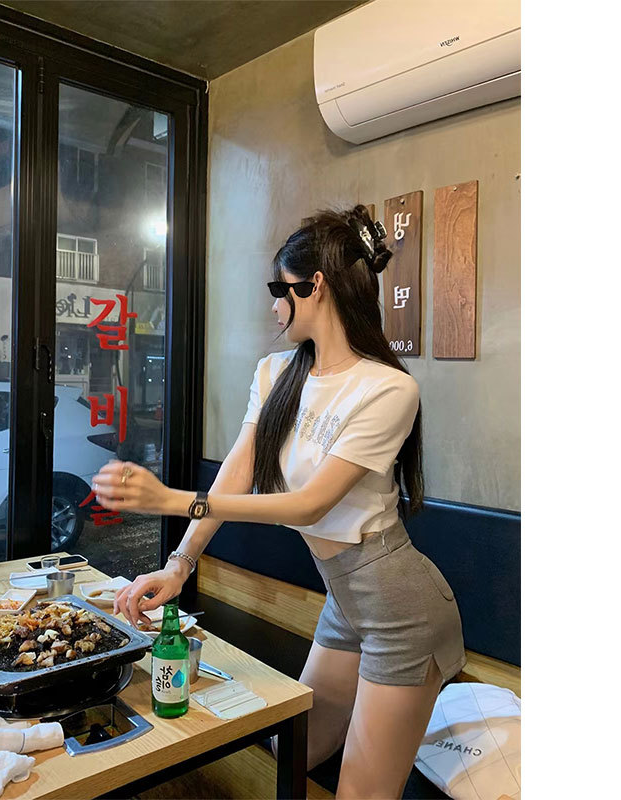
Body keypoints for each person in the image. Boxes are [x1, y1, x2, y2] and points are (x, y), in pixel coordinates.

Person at [92, 206, 467, 799]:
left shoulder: (389, 388)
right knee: (291, 746)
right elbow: (236, 474)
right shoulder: (275, 374)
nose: (273, 307)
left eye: (280, 290)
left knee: (361, 794)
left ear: (315, 286)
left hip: (401, 609)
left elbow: (309, 506)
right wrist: (179, 564)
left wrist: (172, 499)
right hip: (345, 601)